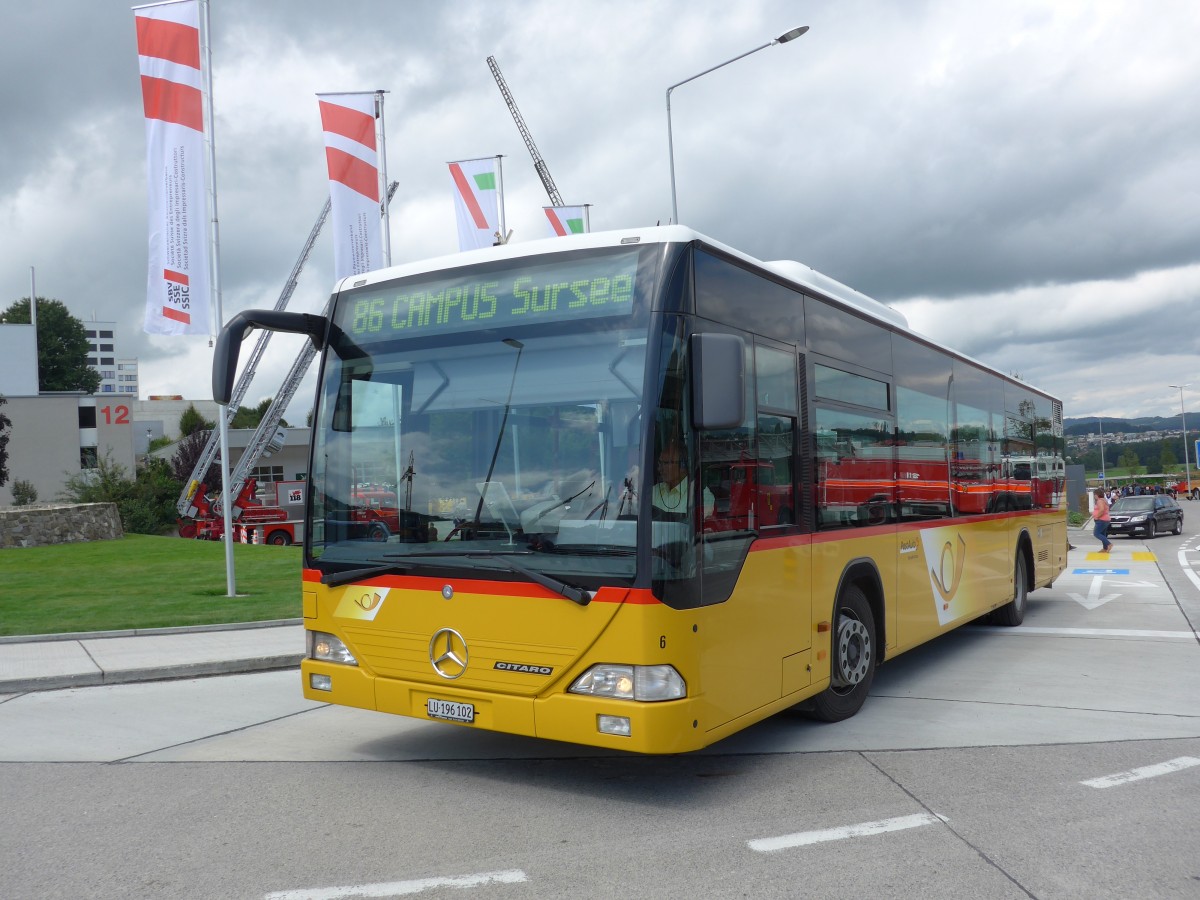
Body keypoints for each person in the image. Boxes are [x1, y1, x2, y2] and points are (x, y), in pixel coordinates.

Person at [652, 443, 714, 518]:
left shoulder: (700, 495)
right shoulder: (655, 491)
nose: (659, 469)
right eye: (659, 463)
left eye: (665, 463)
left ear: (683, 466)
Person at [1093, 487, 1113, 553]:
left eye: (1094, 494)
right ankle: (1105, 548)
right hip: (1106, 519)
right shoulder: (1104, 500)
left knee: (1096, 533)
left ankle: (1109, 544)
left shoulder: (1100, 501)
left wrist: (1096, 516)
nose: (1094, 496)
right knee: (1103, 534)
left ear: (1097, 494)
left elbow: (1101, 510)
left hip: (1101, 520)